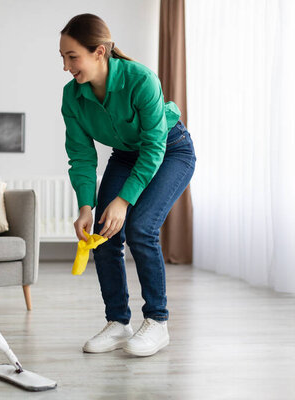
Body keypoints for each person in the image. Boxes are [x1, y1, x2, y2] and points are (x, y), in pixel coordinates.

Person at [60, 14, 196, 357]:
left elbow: (154, 148)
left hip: (171, 150)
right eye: (62, 57)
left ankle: (157, 321)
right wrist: (86, 206)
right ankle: (119, 323)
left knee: (141, 227)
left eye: (72, 56)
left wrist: (123, 200)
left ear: (100, 52)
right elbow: (81, 156)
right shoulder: (72, 97)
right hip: (125, 155)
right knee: (103, 233)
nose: (66, 66)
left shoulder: (141, 80)